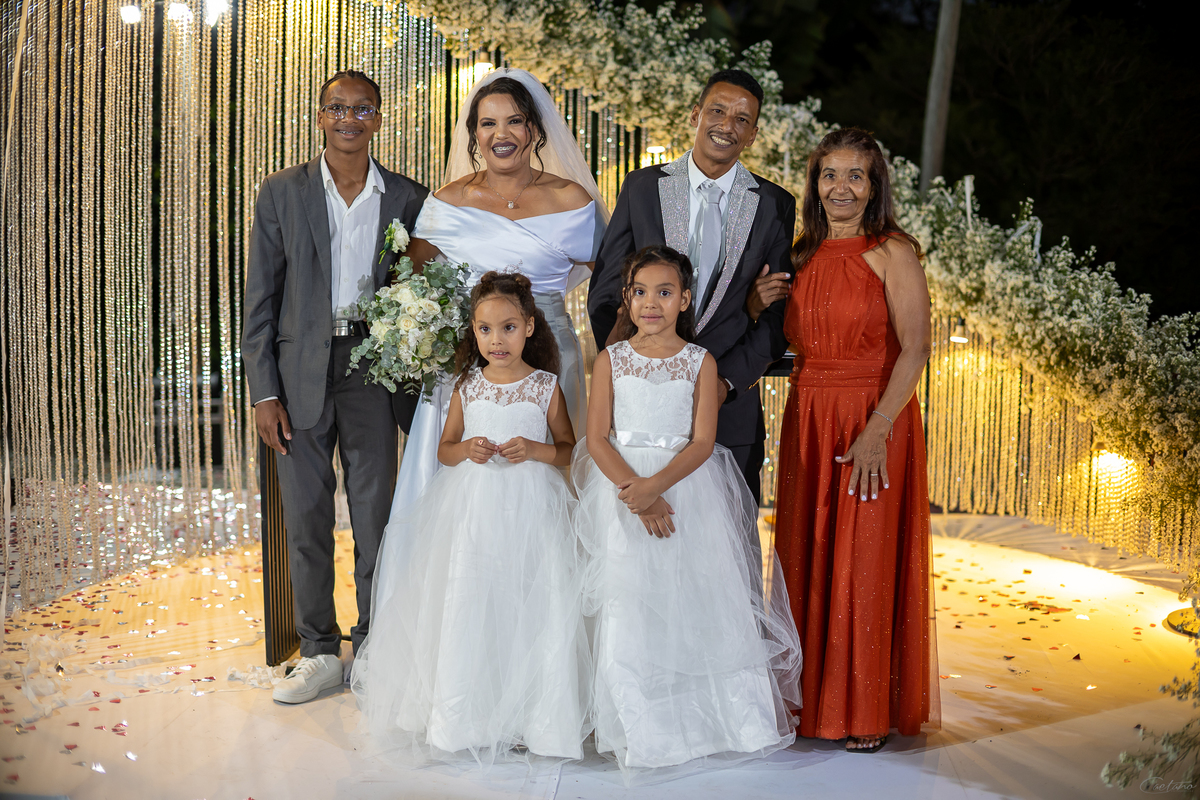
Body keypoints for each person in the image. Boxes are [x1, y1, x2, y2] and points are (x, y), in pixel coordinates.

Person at [572, 246, 801, 782]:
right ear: (626, 298)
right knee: (631, 600)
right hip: (623, 492)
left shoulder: (701, 362)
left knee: (694, 595)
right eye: (640, 292)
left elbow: (702, 442)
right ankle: (638, 728)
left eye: (665, 292)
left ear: (685, 299)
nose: (651, 303)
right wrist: (636, 491)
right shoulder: (610, 360)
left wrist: (656, 488)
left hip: (685, 491)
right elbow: (597, 438)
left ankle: (708, 723)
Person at [241, 70, 428, 704]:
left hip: (375, 369)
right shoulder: (281, 192)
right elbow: (260, 301)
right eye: (337, 108)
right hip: (298, 373)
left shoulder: (407, 197)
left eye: (362, 108)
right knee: (306, 516)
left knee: (377, 516)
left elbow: (419, 287)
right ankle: (319, 650)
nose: (349, 118)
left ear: (379, 118)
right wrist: (264, 392)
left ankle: (372, 650)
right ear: (320, 117)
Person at [351, 272, 590, 764]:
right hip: (474, 513)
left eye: (507, 328)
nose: (496, 340)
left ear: (529, 327)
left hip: (531, 513)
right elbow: (445, 449)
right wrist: (467, 449)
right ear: (473, 332)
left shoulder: (545, 386)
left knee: (529, 600)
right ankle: (467, 716)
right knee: (473, 600)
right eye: (484, 329)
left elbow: (569, 449)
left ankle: (533, 718)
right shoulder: (467, 386)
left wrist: (537, 449)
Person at [772, 128, 940, 753]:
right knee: (808, 552)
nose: (840, 187)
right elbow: (786, 343)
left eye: (855, 176)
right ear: (814, 184)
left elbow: (916, 348)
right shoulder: (800, 255)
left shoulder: (893, 252)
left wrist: (878, 428)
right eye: (829, 174)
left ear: (874, 187)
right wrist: (760, 304)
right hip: (810, 416)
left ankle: (864, 707)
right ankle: (809, 702)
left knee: (864, 559)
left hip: (875, 416)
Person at [388, 67, 607, 516]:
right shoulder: (448, 203)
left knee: (552, 487)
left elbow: (611, 287)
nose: (501, 134)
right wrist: (433, 329)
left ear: (535, 130)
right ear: (474, 134)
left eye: (514, 121)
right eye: (488, 123)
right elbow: (406, 282)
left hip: (551, 357)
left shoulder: (571, 200)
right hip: (471, 360)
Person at [588, 69, 794, 504]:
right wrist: (630, 370)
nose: (727, 125)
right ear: (696, 114)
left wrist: (725, 382)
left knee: (729, 538)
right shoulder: (643, 187)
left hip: (728, 412)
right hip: (640, 414)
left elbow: (777, 318)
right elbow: (607, 292)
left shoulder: (774, 204)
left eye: (742, 119)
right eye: (717, 111)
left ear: (753, 135)